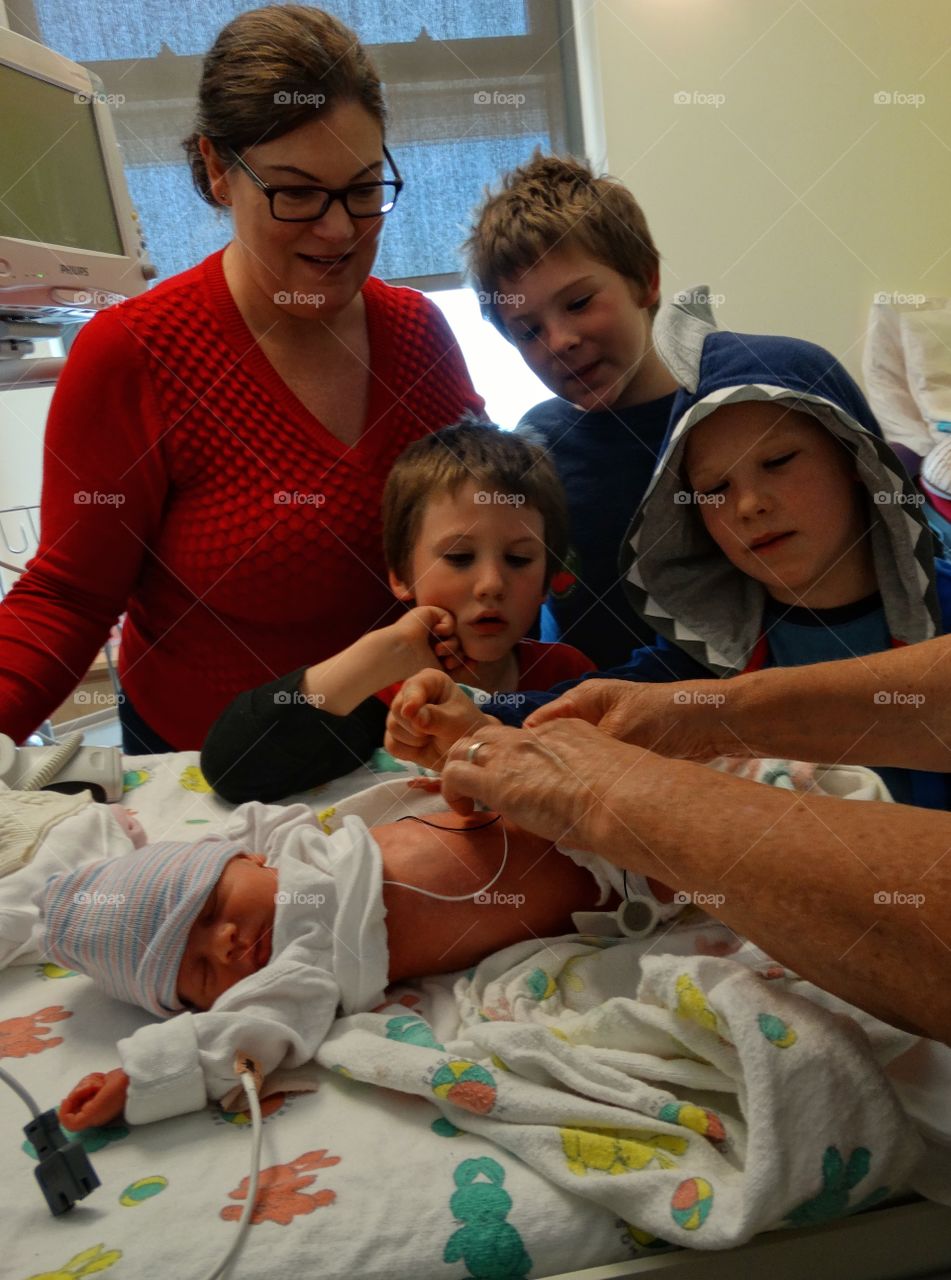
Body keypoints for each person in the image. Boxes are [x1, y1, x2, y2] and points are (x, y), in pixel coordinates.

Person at [0, 5, 481, 754]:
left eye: (361, 188)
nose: (338, 229)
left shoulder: (417, 335)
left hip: (394, 753)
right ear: (219, 169)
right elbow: (65, 598)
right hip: (203, 776)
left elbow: (487, 530)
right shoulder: (135, 354)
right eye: (295, 192)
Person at [415, 290, 951, 808]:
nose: (749, 505)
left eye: (780, 461)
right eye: (715, 489)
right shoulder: (708, 648)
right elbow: (599, 706)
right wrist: (479, 716)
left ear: (857, 460)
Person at [43, 803, 608, 1129]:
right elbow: (235, 1039)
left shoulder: (292, 847)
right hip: (608, 887)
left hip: (556, 803)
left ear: (248, 859)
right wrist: (136, 1080)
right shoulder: (299, 963)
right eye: (201, 974)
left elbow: (239, 826)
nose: (225, 945)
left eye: (213, 910)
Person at [200, 420, 595, 803]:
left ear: (547, 578)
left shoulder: (569, 679)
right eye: (459, 557)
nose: (491, 583)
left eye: (518, 558)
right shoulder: (384, 697)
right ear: (402, 574)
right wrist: (377, 658)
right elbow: (232, 769)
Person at [463, 152, 679, 668]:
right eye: (529, 332)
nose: (560, 341)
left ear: (645, 279)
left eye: (579, 303)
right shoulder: (535, 448)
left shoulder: (726, 419)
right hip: (583, 725)